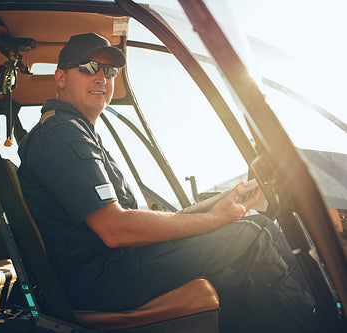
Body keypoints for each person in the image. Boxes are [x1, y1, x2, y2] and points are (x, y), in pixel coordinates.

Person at [17, 33, 323, 332]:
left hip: (109, 269)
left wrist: (213, 208)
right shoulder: (62, 133)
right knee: (255, 237)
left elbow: (126, 222)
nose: (101, 78)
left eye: (109, 70)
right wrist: (213, 220)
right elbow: (115, 229)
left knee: (252, 230)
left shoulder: (75, 131)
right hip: (100, 279)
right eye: (88, 67)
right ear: (60, 77)